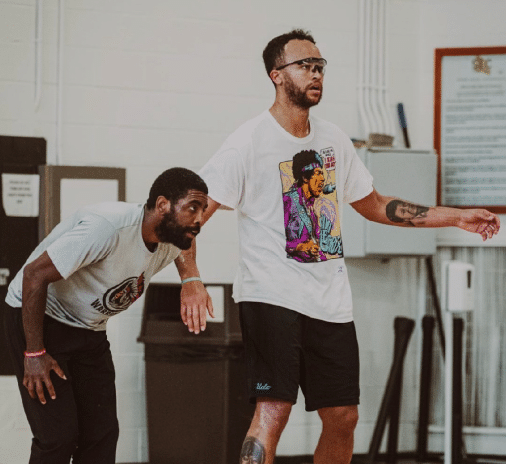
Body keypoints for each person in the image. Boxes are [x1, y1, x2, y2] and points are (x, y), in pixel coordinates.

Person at [175, 29, 501, 464]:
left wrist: (455, 216)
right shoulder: (247, 142)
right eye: (304, 66)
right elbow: (190, 214)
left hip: (329, 303)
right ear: (276, 75)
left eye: (320, 66)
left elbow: (377, 205)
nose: (316, 74)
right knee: (274, 410)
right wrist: (191, 279)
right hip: (270, 296)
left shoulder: (333, 140)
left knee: (344, 417)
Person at [3, 167, 212, 464]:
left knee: (101, 435)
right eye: (193, 208)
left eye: (203, 209)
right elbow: (33, 275)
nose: (200, 219)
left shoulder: (172, 238)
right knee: (58, 438)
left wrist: (191, 280)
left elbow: (187, 242)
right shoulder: (108, 228)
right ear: (163, 204)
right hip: (42, 318)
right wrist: (34, 351)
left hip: (89, 328)